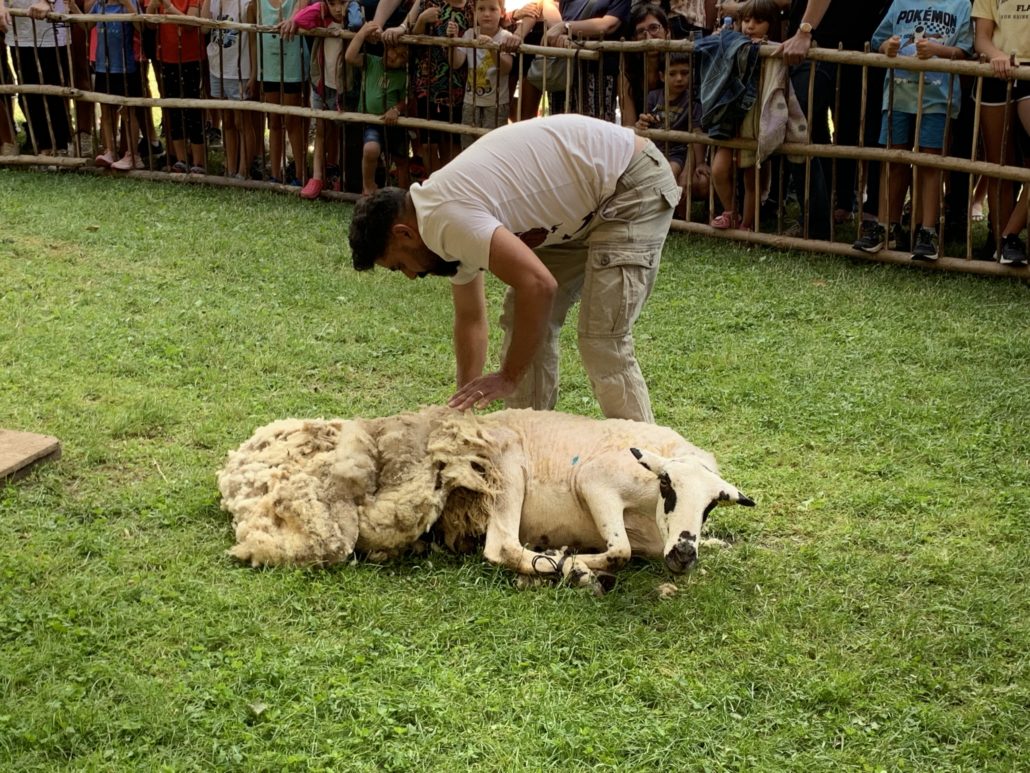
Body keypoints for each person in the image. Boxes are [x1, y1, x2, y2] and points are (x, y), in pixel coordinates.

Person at [348, 114, 681, 423]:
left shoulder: (444, 219)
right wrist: (462, 412)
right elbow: (470, 318)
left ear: (403, 233)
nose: (409, 275)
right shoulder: (438, 223)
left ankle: (653, 472)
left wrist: (508, 376)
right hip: (589, 198)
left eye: (399, 265)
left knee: (601, 337)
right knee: (525, 315)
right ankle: (528, 445)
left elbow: (539, 285)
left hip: (630, 182)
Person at [852, 0, 973, 261]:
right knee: (894, 160)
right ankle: (887, 225)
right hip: (898, 95)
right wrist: (890, 47)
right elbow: (879, 41)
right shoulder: (900, 2)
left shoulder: (961, 5)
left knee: (931, 162)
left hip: (938, 99)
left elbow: (964, 51)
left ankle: (928, 230)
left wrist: (937, 49)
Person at [705, 0, 779, 230]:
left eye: (758, 21)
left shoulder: (774, 48)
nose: (750, 26)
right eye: (746, 20)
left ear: (771, 25)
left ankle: (747, 223)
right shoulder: (732, 43)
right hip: (731, 119)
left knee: (751, 177)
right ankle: (730, 211)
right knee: (718, 168)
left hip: (755, 122)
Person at [382, 0, 473, 173]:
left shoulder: (472, 8)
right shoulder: (428, 2)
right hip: (427, 82)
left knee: (451, 140)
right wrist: (422, 20)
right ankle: (434, 185)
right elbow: (413, 35)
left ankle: (449, 183)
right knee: (428, 141)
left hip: (457, 84)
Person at [973, 0, 1030, 266]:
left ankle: (1010, 235)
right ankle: (1000, 243)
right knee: (998, 165)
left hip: (1029, 70)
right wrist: (998, 56)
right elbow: (981, 37)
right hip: (996, 70)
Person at [279, 0, 350, 197]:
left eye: (342, 3)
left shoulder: (353, 20)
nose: (338, 9)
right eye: (332, 3)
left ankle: (343, 175)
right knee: (321, 129)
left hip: (345, 86)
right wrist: (321, 8)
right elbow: (301, 18)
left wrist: (349, 10)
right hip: (322, 83)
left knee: (347, 131)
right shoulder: (322, 18)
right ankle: (317, 176)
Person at [634, 51, 710, 204]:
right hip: (653, 151)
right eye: (673, 74)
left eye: (684, 73)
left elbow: (697, 134)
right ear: (662, 76)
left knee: (670, 172)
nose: (679, 78)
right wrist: (642, 122)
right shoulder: (653, 97)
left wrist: (700, 162)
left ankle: (672, 212)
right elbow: (643, 123)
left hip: (677, 154)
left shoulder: (693, 103)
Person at [345, 19, 410, 194]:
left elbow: (406, 100)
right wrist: (362, 33)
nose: (395, 57)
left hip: (394, 122)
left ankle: (404, 194)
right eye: (393, 50)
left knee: (402, 159)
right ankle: (368, 186)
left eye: (402, 56)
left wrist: (396, 109)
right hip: (372, 121)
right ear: (385, 47)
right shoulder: (372, 62)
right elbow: (349, 57)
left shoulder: (403, 76)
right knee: (370, 149)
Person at [4, 0, 74, 156]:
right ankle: (42, 145)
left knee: (55, 89)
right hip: (18, 27)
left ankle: (61, 146)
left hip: (51, 25)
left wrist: (47, 1)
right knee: (28, 91)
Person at [146, 0, 208, 173]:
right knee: (173, 109)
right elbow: (150, 24)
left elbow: (190, 23)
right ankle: (180, 159)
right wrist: (153, 5)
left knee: (193, 108)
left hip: (192, 56)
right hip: (166, 56)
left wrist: (167, 6)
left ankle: (199, 162)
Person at [446, 0, 515, 149]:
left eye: (492, 9)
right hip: (470, 101)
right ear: (474, 12)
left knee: (492, 147)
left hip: (497, 103)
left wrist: (491, 48)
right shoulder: (469, 34)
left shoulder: (506, 37)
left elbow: (506, 68)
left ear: (502, 12)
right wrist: (452, 41)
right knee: (468, 146)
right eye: (481, 9)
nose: (487, 14)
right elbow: (456, 63)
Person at [254, 0, 309, 184]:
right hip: (269, 64)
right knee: (274, 120)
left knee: (292, 120)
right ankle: (275, 173)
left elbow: (303, 6)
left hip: (292, 62)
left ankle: (301, 174)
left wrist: (293, 18)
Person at [202, 0, 257, 179]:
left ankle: (243, 170)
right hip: (217, 67)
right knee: (227, 120)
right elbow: (203, 28)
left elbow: (252, 39)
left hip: (239, 69)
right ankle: (230, 167)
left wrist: (254, 72)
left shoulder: (248, 3)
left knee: (243, 122)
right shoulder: (213, 2)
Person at [87, 0, 145, 170]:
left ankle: (133, 155)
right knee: (106, 110)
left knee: (128, 110)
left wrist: (127, 5)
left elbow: (141, 27)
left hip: (125, 66)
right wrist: (72, 7)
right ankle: (110, 150)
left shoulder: (130, 3)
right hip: (103, 66)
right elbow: (86, 25)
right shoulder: (99, 5)